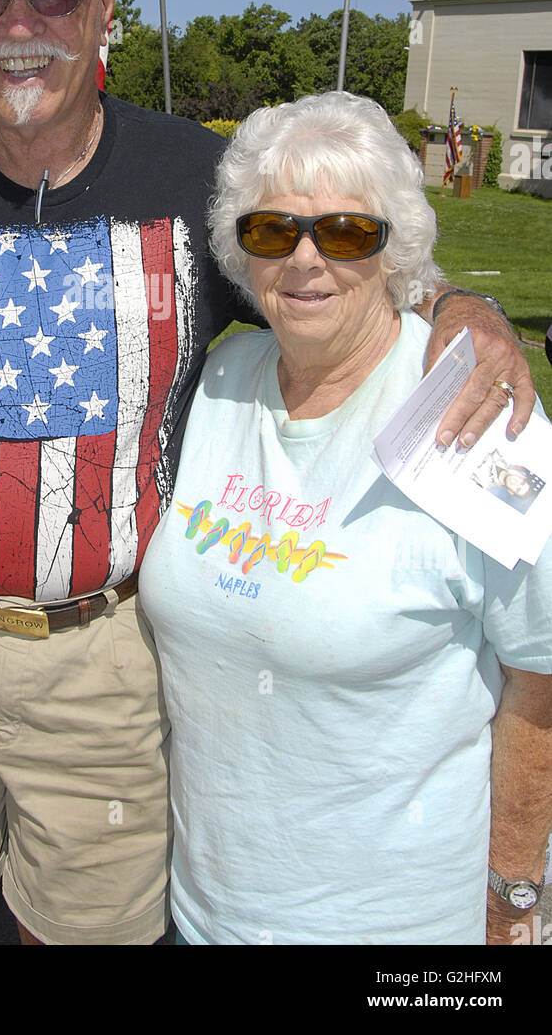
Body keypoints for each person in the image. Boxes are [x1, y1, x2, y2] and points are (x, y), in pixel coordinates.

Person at [0, 0, 534, 947]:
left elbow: (324, 269)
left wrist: (461, 306)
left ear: (104, 2)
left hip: (108, 663)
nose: (20, 18)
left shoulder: (197, 181)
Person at [139, 92, 552, 946]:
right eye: (271, 230)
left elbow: (542, 671)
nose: (304, 259)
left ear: (394, 246)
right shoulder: (220, 379)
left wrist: (513, 895)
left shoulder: (475, 410)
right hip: (202, 915)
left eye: (346, 232)